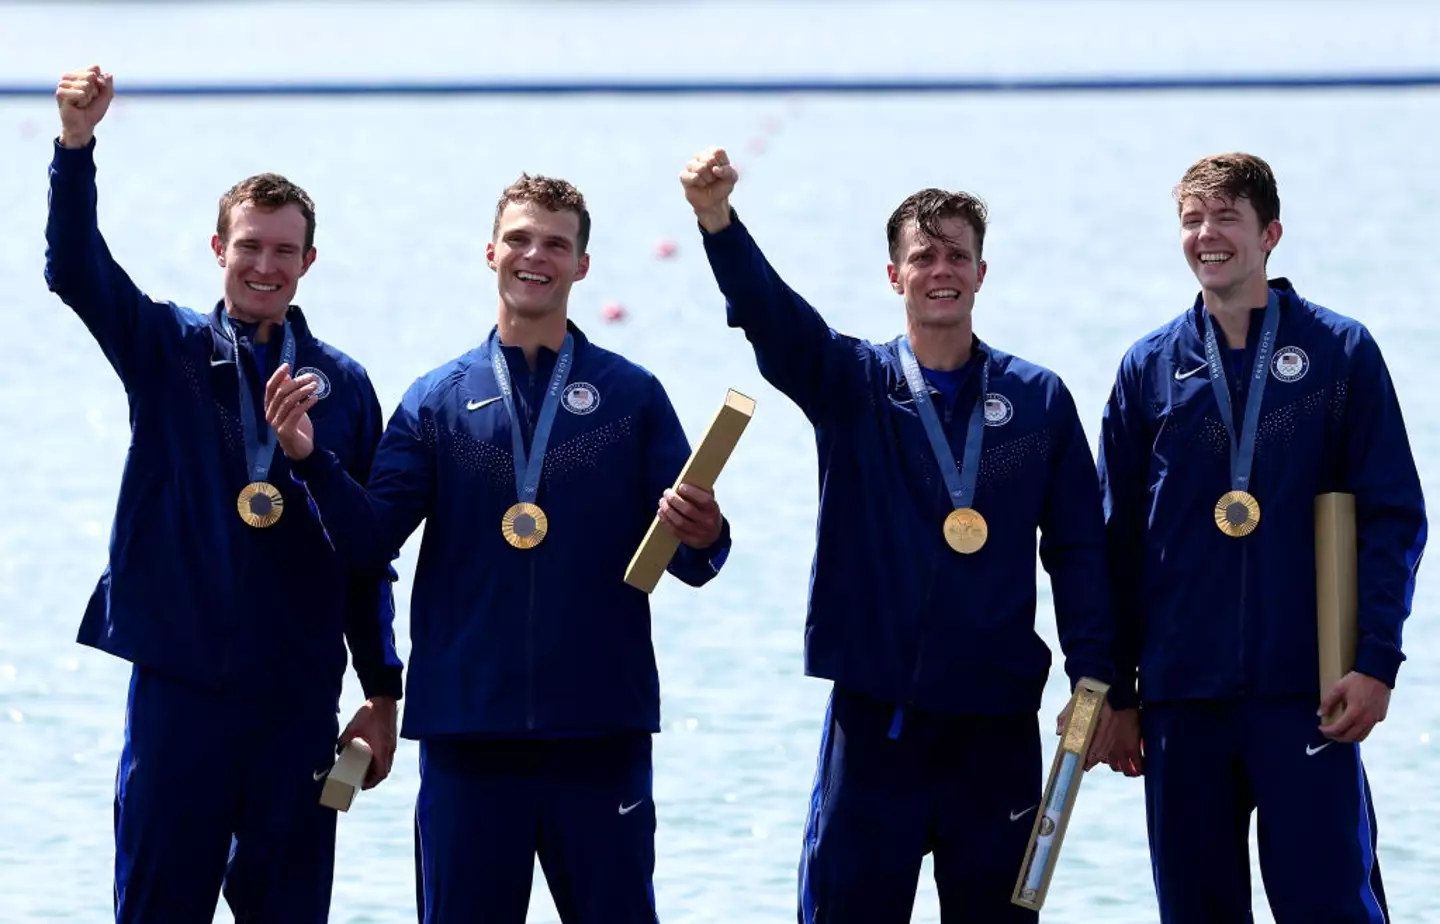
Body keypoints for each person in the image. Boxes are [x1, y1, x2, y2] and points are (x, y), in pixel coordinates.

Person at [264, 172, 734, 923]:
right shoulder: (436, 399)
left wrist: (707, 533)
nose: (534, 255)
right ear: (490, 252)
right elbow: (369, 539)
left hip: (600, 731)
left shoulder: (631, 397)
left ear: (582, 265)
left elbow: (693, 557)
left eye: (556, 243)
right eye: (519, 239)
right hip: (467, 737)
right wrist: (311, 459)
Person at [679, 146, 1117, 923]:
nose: (940, 269)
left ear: (982, 274)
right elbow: (774, 319)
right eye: (923, 255)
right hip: (877, 723)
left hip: (995, 728)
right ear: (895, 276)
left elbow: (1080, 551)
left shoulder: (1038, 398)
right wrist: (717, 221)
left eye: (957, 255)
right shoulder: (851, 383)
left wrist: (1098, 683)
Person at [43, 66, 403, 922]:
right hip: (180, 698)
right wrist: (75, 147)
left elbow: (367, 555)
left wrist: (383, 693)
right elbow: (74, 270)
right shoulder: (164, 348)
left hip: (296, 709)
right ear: (219, 251)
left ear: (309, 261)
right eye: (249, 246)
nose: (265, 266)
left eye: (284, 250)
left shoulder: (344, 387)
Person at [1098, 151, 1427, 923]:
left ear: (1270, 233)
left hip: (1308, 696)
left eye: (1226, 219)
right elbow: (1110, 544)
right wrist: (1113, 690)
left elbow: (1393, 516)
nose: (1207, 236)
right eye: (1192, 221)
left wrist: (1375, 661)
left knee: (1330, 909)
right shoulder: (1148, 367)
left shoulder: (1338, 354)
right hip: (1182, 701)